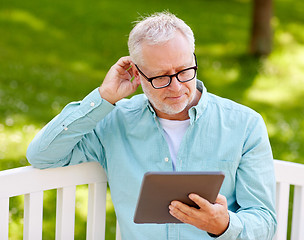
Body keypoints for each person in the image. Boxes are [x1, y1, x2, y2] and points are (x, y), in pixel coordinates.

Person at [27, 11, 277, 240]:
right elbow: (42, 155)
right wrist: (103, 98)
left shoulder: (245, 124)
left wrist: (224, 224)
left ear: (194, 58)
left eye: (184, 70)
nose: (176, 87)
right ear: (137, 73)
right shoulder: (114, 122)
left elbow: (265, 221)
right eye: (160, 77)